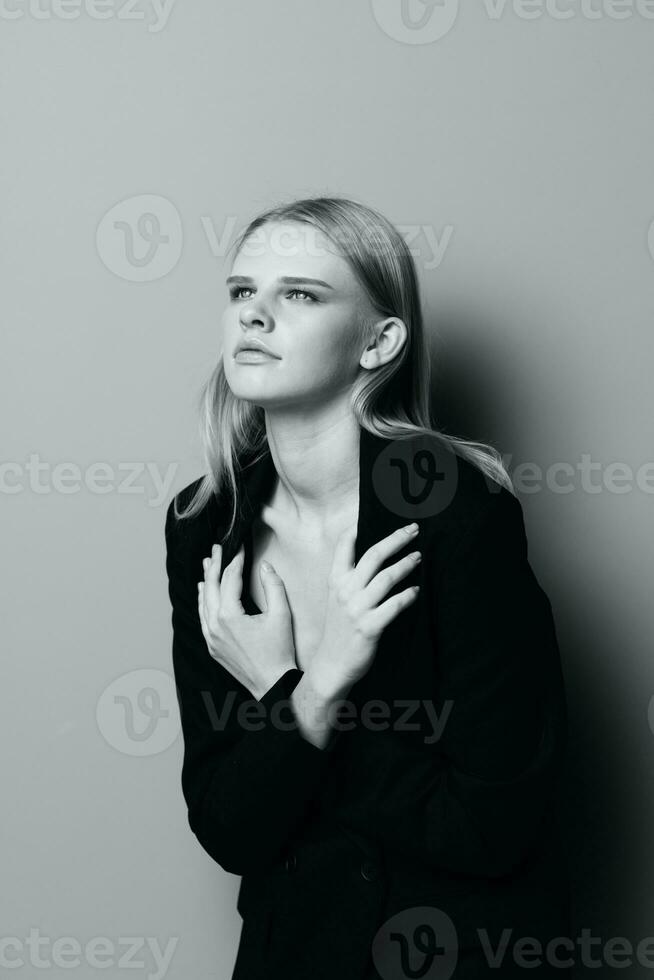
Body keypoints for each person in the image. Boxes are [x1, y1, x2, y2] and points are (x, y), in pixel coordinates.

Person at [164, 196, 571, 979]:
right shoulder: (205, 524)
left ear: (379, 341)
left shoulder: (457, 515)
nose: (254, 317)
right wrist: (313, 695)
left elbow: (493, 824)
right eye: (242, 292)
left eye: (300, 295)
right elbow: (228, 828)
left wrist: (289, 695)